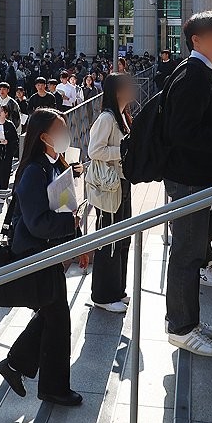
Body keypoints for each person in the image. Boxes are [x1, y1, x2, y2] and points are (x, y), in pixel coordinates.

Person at [159, 12, 212, 357]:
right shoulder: (194, 74)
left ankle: (188, 320)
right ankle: (180, 327)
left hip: (194, 177)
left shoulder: (198, 71)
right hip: (188, 181)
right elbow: (183, 133)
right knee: (186, 254)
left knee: (192, 253)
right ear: (196, 40)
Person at [0, 109, 81, 405]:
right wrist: (71, 224)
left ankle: (17, 364)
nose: (66, 135)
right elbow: (37, 222)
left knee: (52, 316)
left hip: (46, 253)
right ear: (44, 137)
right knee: (57, 319)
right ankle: (50, 386)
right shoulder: (34, 170)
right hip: (34, 255)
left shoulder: (52, 165)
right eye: (61, 130)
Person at [86, 72, 135, 313]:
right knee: (109, 241)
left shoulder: (122, 116)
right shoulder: (107, 118)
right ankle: (103, 295)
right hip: (109, 186)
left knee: (122, 238)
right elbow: (94, 151)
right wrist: (122, 150)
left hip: (121, 183)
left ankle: (117, 289)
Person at [0, 104, 19, 196]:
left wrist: (7, 142)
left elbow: (15, 140)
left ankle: (3, 191)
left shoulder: (10, 125)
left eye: (1, 111)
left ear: (6, 113)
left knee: (5, 172)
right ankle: (1, 187)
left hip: (7, 151)